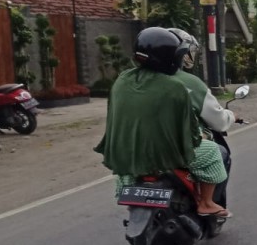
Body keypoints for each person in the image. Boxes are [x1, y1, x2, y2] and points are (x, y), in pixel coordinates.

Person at [95, 27, 229, 217]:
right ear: (170, 58)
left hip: (125, 150)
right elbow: (188, 128)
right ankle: (206, 203)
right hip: (166, 154)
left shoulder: (122, 80)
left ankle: (130, 193)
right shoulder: (175, 86)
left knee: (129, 169)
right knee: (214, 152)